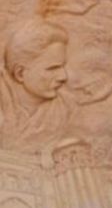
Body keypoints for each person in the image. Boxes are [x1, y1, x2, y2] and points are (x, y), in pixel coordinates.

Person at [0, 19, 72, 153]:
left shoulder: (64, 110)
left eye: (62, 66)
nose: (63, 76)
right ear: (20, 73)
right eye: (52, 68)